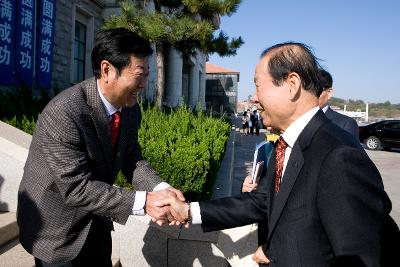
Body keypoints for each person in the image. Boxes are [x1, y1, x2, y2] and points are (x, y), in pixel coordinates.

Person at [163, 42, 391, 266]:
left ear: (292, 84)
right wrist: (188, 210)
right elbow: (261, 202)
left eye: (258, 86)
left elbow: (360, 258)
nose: (253, 98)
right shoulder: (287, 144)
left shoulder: (339, 156)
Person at [17, 28, 184, 267]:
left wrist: (161, 188)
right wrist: (145, 201)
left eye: (147, 76)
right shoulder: (64, 112)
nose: (144, 85)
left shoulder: (130, 108)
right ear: (107, 70)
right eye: (139, 75)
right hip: (55, 229)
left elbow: (130, 157)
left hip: (96, 220)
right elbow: (76, 188)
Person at [318, 69, 359, 141]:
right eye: (307, 91)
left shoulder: (346, 124)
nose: (311, 96)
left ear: (329, 93)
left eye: (317, 90)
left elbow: (351, 152)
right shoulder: (297, 120)